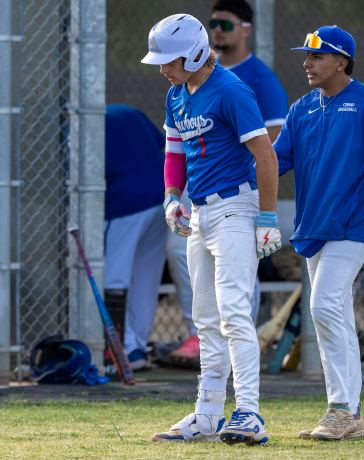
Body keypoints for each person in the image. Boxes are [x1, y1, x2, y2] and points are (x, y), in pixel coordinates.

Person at [141, 14, 281, 445]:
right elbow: (175, 151)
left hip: (236, 209)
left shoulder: (232, 91)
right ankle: (206, 414)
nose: (164, 68)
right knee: (205, 320)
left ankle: (250, 413)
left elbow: (266, 158)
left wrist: (268, 217)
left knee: (235, 314)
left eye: (171, 60)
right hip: (200, 214)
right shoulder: (176, 94)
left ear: (196, 53)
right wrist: (170, 196)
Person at [274, 25, 364, 441]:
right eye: (306, 56)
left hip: (353, 226)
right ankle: (351, 413)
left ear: (341, 62)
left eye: (317, 56)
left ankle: (341, 409)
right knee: (334, 312)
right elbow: (274, 164)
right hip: (315, 228)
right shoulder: (302, 109)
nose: (308, 63)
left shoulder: (361, 103)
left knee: (325, 306)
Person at [104, 103, 169, 371]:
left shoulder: (85, 122)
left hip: (124, 203)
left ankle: (118, 352)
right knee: (145, 277)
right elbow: (162, 146)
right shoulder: (127, 111)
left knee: (111, 276)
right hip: (161, 198)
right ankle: (136, 347)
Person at [210, 0, 288, 142]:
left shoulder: (262, 78)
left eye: (226, 25)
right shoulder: (202, 71)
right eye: (214, 24)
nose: (218, 29)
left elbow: (275, 134)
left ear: (246, 30)